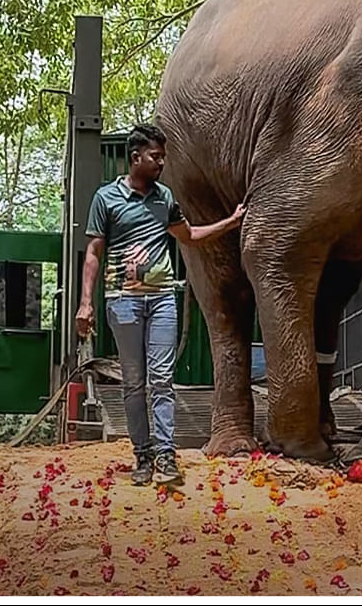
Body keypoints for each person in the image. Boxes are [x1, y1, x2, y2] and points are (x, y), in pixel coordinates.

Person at [77, 124, 244, 486]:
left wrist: (230, 222)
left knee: (162, 380)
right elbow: (93, 252)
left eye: (162, 156)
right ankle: (142, 455)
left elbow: (190, 236)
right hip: (123, 302)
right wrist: (85, 303)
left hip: (162, 299)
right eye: (155, 156)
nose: (161, 163)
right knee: (134, 382)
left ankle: (166, 456)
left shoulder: (165, 198)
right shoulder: (106, 199)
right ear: (135, 157)